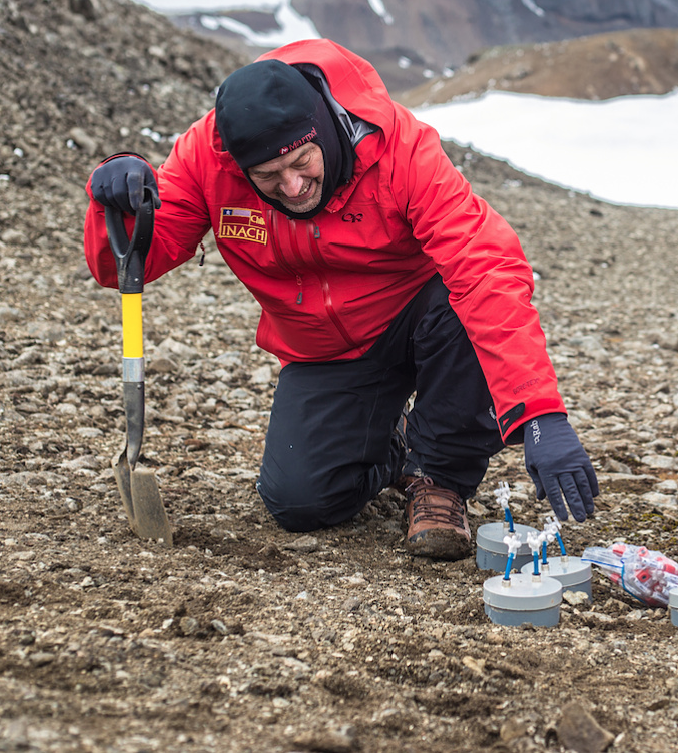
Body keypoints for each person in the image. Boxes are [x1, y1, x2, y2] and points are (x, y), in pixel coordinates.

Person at [83, 38, 598, 559]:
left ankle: (439, 478)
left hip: (422, 318)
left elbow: (485, 266)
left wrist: (540, 415)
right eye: (267, 177)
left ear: (323, 130)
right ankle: (389, 443)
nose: (292, 185)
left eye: (302, 161)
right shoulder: (207, 159)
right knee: (300, 503)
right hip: (327, 348)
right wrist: (119, 205)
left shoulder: (399, 148)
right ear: (240, 166)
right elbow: (129, 264)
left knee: (462, 299)